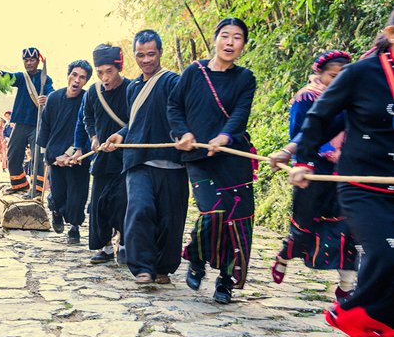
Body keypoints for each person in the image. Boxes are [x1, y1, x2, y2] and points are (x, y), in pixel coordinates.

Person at [290, 10, 394, 337]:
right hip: (363, 186)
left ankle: (377, 335)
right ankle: (352, 318)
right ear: (391, 34)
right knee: (384, 250)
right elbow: (318, 117)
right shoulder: (361, 74)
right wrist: (302, 159)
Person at [170, 17, 257, 304]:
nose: (230, 42)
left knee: (237, 222)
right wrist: (182, 132)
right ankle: (196, 256)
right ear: (215, 38)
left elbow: (239, 115)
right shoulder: (194, 72)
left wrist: (224, 137)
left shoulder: (246, 78)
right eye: (225, 36)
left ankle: (225, 281)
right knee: (214, 213)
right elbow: (174, 106)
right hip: (198, 157)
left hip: (233, 158)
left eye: (237, 38)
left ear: (243, 44)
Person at [268, 50, 357, 303]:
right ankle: (286, 254)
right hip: (311, 171)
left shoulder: (354, 99)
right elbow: (301, 133)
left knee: (346, 229)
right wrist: (325, 151)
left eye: (343, 76)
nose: (337, 81)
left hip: (343, 172)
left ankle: (346, 286)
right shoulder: (307, 98)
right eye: (332, 76)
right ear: (319, 74)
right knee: (304, 227)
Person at [105, 30, 187, 285]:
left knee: (169, 218)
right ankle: (142, 266)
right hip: (138, 159)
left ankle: (162, 267)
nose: (146, 60)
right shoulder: (133, 88)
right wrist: (120, 134)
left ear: (160, 53)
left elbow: (184, 114)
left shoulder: (174, 82)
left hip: (171, 160)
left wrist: (185, 135)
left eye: (151, 54)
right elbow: (135, 122)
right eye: (140, 55)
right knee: (139, 209)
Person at [71, 45, 131, 263]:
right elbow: (87, 117)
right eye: (100, 73)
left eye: (109, 71)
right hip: (102, 159)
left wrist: (122, 136)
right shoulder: (94, 93)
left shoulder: (132, 89)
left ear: (118, 67)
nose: (105, 78)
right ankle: (104, 247)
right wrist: (94, 137)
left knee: (122, 202)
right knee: (98, 204)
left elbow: (138, 120)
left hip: (125, 158)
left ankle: (123, 242)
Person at [38, 60, 92, 244]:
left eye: (82, 77)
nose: (77, 80)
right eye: (74, 75)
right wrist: (48, 156)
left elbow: (88, 128)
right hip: (55, 156)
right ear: (68, 75)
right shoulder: (53, 98)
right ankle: (56, 211)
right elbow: (45, 127)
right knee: (59, 193)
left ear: (86, 81)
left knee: (77, 195)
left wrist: (74, 152)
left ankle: (74, 227)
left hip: (78, 155)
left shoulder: (88, 99)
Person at [1, 48, 53, 195]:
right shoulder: (21, 77)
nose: (29, 63)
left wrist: (47, 98)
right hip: (21, 123)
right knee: (13, 153)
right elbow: (10, 78)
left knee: (37, 157)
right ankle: (20, 185)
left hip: (37, 124)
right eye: (26, 60)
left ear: (38, 61)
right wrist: (1, 75)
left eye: (32, 60)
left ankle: (36, 190)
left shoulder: (45, 79)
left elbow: (51, 92)